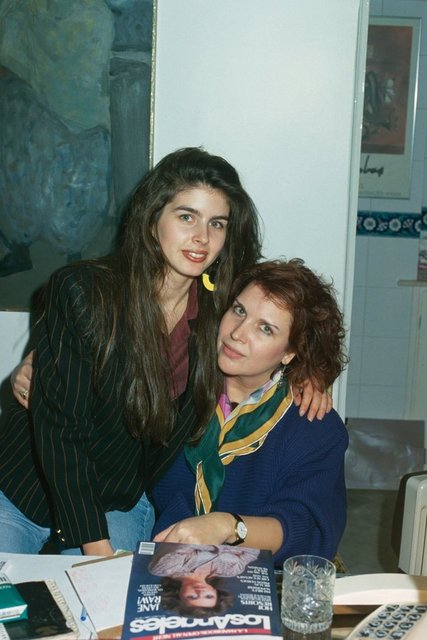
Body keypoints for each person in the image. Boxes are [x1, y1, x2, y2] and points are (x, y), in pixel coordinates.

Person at [0, 149, 327, 557]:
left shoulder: (222, 310)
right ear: (153, 217)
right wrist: (97, 551)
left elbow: (289, 315)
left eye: (217, 223)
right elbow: (62, 431)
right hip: (26, 488)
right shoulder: (84, 291)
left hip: (117, 500)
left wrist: (309, 372)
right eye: (187, 217)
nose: (202, 238)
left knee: (113, 598)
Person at [150, 259, 349, 567]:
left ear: (290, 352)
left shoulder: (313, 426)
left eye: (265, 328)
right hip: (161, 557)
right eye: (239, 311)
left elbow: (306, 526)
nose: (238, 333)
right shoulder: (178, 387)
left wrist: (228, 526)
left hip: (259, 574)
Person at [148, 543, 259, 616]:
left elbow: (185, 541)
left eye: (192, 597)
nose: (200, 592)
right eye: (209, 596)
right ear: (215, 592)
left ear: (178, 596)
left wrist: (230, 547)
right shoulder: (231, 571)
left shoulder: (163, 569)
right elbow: (253, 551)